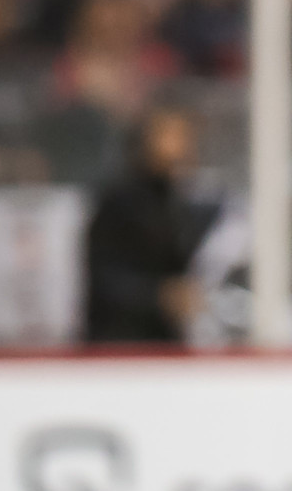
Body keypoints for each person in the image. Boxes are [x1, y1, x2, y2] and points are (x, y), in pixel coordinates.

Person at [84, 104, 212, 343]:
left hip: (164, 344)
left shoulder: (178, 200)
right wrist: (159, 296)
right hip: (119, 344)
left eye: (185, 136)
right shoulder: (119, 198)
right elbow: (103, 277)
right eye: (170, 135)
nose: (180, 146)